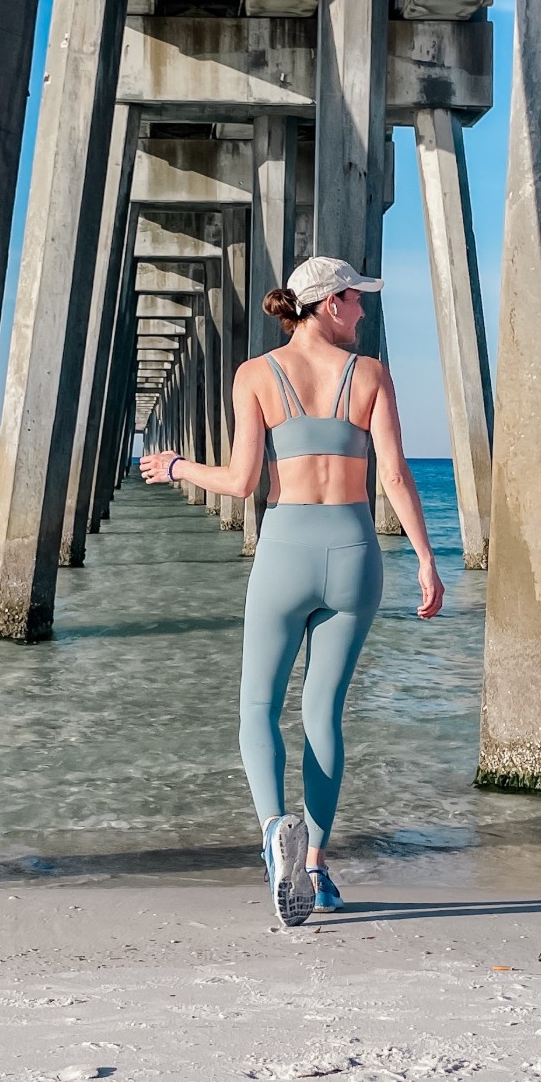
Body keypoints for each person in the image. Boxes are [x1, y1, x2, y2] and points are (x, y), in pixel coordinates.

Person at [140, 256, 444, 927]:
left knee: (257, 707)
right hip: (356, 552)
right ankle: (317, 870)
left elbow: (243, 481)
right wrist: (426, 559)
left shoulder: (256, 375)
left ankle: (278, 831)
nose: (364, 312)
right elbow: (393, 474)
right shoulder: (370, 376)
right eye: (357, 300)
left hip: (285, 550)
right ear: (330, 303)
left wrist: (175, 465)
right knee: (323, 713)